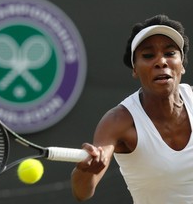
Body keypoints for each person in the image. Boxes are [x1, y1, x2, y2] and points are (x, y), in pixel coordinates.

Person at [71, 14, 193, 203]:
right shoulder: (118, 121)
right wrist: (86, 170)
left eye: (170, 53)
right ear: (135, 69)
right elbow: (82, 192)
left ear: (182, 65)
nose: (161, 61)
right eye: (148, 55)